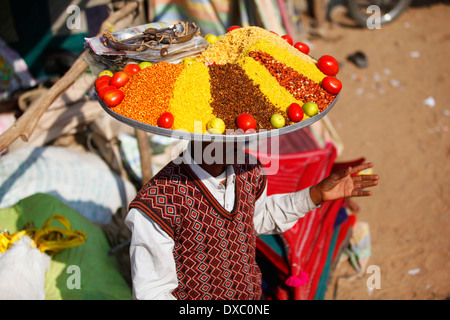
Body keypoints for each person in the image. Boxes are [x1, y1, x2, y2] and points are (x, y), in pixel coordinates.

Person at [125, 139, 379, 300]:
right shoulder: (157, 202)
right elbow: (152, 292)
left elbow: (258, 218)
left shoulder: (249, 168)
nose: (240, 139)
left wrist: (315, 194)